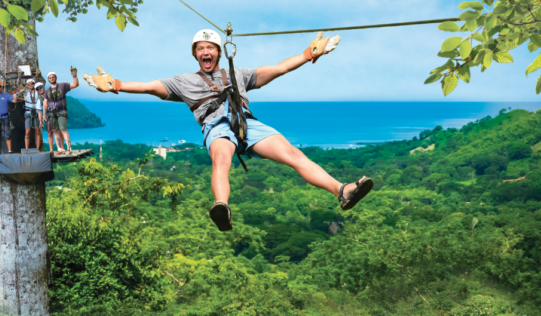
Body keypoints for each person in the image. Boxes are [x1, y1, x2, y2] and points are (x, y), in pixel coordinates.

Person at [83, 29, 374, 232]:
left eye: (210, 48)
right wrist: (116, 84)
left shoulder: (239, 74)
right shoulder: (183, 81)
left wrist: (308, 53)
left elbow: (279, 68)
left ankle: (343, 190)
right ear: (195, 54)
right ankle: (221, 206)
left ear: (219, 53)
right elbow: (149, 87)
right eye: (201, 49)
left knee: (294, 155)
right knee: (221, 160)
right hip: (217, 126)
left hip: (247, 123)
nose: (205, 52)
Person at [43, 68, 78, 155]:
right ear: (48, 79)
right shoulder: (47, 91)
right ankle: (60, 149)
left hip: (61, 111)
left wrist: (74, 75)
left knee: (63, 129)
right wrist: (44, 115)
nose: (52, 78)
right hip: (51, 113)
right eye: (50, 77)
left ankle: (69, 148)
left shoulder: (63, 86)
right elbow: (45, 103)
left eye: (53, 77)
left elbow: (75, 85)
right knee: (56, 131)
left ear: (56, 77)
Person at [23, 79, 43, 149]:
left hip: (37, 112)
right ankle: (26, 148)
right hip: (28, 112)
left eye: (32, 83)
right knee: (27, 131)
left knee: (37, 130)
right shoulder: (25, 92)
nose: (31, 85)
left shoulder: (38, 92)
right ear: (27, 85)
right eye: (29, 84)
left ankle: (37, 148)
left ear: (34, 84)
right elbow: (17, 94)